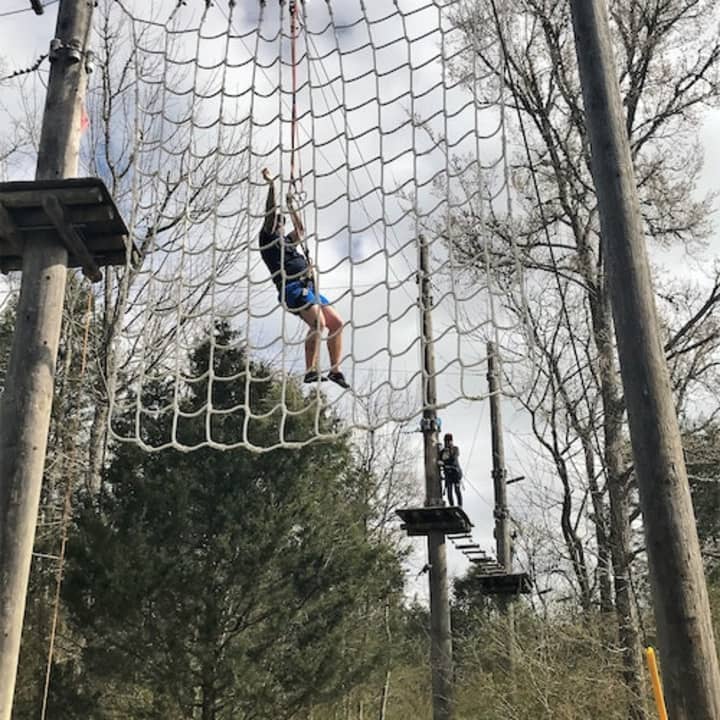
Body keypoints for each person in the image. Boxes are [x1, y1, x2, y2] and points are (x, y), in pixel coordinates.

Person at [259, 168, 349, 388]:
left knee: (337, 323)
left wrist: (291, 207)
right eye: (278, 223)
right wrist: (272, 186)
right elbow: (270, 213)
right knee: (319, 323)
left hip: (310, 289)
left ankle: (335, 370)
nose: (281, 226)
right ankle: (310, 370)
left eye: (282, 223)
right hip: (292, 289)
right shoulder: (268, 240)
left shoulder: (288, 243)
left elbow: (300, 229)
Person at [439, 433, 463, 507]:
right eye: (446, 441)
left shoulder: (455, 449)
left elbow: (453, 459)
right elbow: (439, 460)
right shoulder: (442, 452)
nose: (447, 443)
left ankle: (460, 505)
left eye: (449, 441)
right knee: (449, 492)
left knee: (457, 490)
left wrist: (444, 463)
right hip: (448, 474)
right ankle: (452, 506)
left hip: (456, 473)